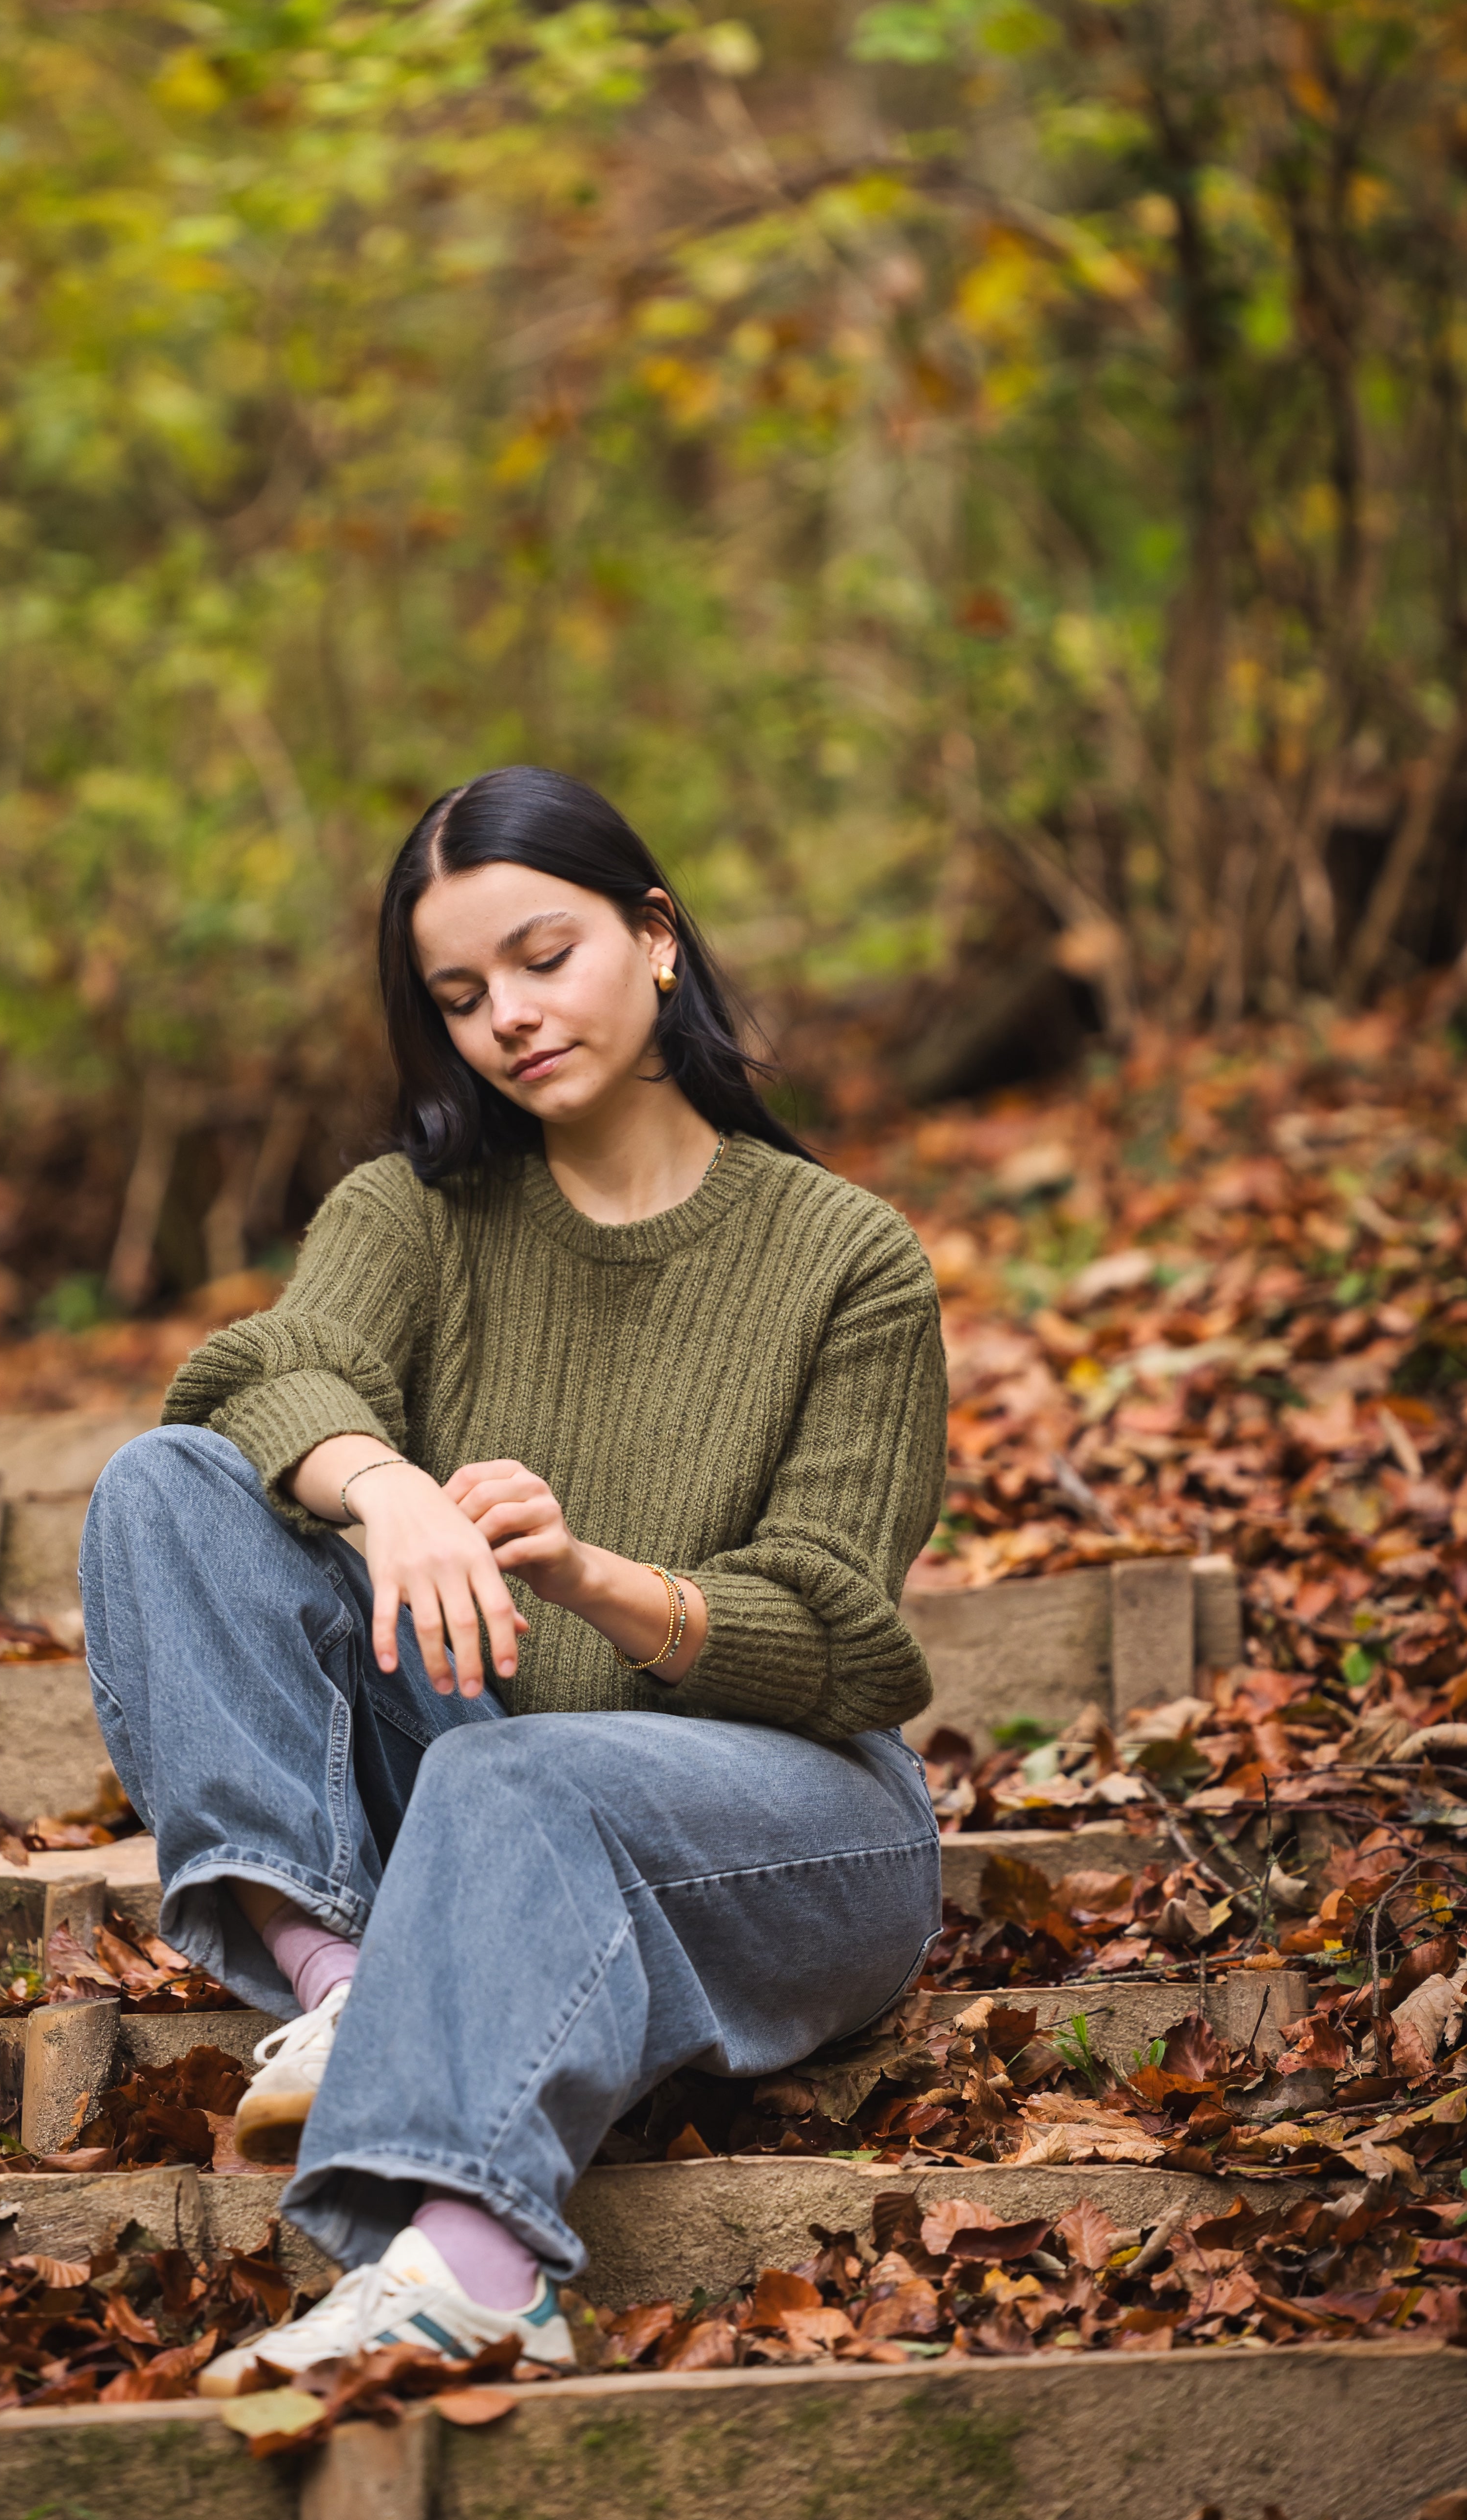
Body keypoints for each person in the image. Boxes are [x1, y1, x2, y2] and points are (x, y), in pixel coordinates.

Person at [78, 766, 945, 2391]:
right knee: (165, 1485)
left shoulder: (849, 1259)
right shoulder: (414, 1212)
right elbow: (257, 1377)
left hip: (793, 1827)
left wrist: (599, 1577)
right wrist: (386, 1484)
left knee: (514, 1770)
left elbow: (844, 1647)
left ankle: (474, 2268)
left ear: (658, 936)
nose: (511, 1020)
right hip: (481, 1781)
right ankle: (339, 1985)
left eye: (546, 958)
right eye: (462, 995)